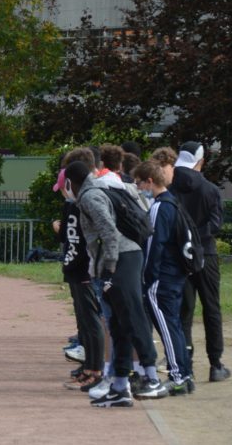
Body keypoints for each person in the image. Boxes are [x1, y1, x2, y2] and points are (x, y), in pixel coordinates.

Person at [66, 160, 166, 408]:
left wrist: (108, 268)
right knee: (118, 325)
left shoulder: (90, 196)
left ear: (71, 183)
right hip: (121, 257)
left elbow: (109, 232)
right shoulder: (99, 190)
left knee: (132, 315)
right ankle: (120, 386)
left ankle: (151, 377)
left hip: (123, 258)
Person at [169, 141, 229, 382]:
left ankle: (186, 366)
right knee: (211, 308)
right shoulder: (211, 190)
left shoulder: (170, 188)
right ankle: (216, 364)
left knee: (183, 311)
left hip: (178, 256)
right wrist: (198, 235)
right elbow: (216, 224)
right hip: (206, 254)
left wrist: (184, 237)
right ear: (201, 161)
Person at [134, 160, 195, 395]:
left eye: (140, 183)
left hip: (161, 278)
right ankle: (184, 374)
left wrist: (147, 277)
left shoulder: (160, 207)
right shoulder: (174, 203)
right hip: (175, 275)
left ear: (150, 181)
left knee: (167, 328)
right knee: (174, 326)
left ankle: (177, 376)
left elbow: (153, 246)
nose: (139, 188)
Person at [52, 161, 103, 392]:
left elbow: (75, 236)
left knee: (92, 322)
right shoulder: (72, 206)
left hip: (84, 270)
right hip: (74, 269)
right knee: (84, 322)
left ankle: (95, 369)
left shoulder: (84, 203)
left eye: (63, 188)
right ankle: (88, 368)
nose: (63, 193)